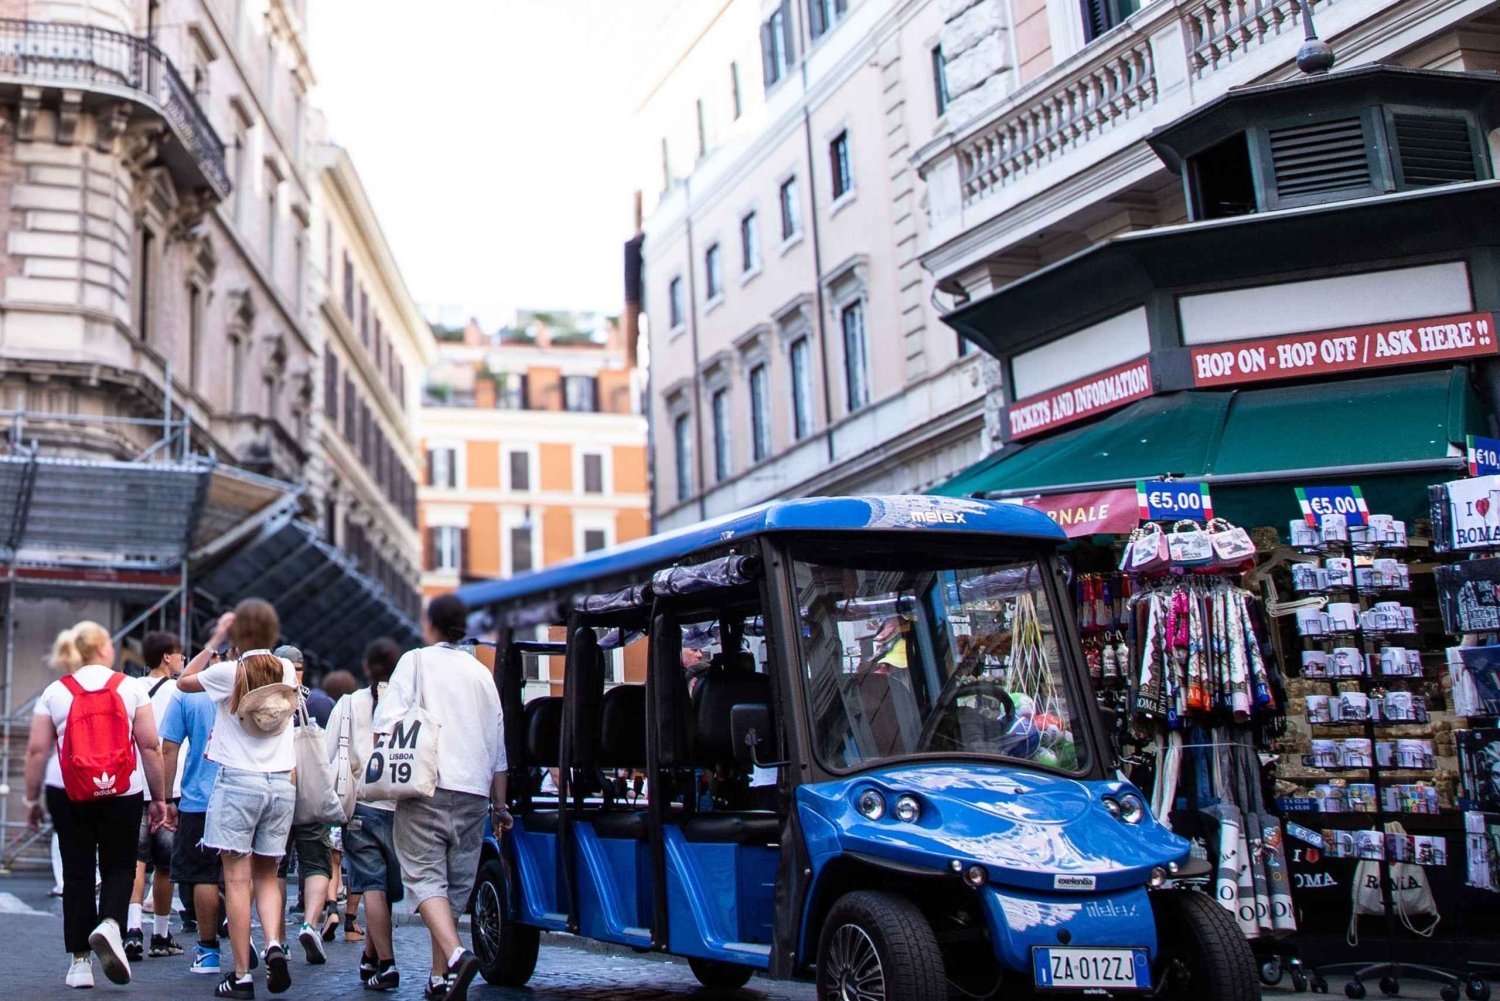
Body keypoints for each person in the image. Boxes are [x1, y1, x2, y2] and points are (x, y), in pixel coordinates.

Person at [373, 595, 508, 1001]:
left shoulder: (415, 662)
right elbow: (497, 746)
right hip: (474, 792)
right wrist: (500, 806)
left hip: (426, 784)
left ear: (430, 625)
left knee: (423, 876)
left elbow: (385, 723)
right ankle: (440, 978)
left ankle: (455, 954)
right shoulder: (482, 674)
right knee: (450, 887)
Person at [23, 621, 170, 989]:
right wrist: (159, 799)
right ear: (106, 650)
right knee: (120, 864)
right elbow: (151, 747)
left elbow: (38, 750)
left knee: (77, 872)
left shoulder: (55, 691)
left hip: (69, 791)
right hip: (123, 789)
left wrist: (30, 798)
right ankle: (110, 923)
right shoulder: (131, 688)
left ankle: (79, 964)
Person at [177, 601, 300, 1000]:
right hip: (280, 784)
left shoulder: (228, 672)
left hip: (238, 783)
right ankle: (274, 946)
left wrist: (215, 639)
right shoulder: (285, 671)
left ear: (238, 633)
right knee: (268, 875)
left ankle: (242, 975)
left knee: (236, 880)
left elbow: (183, 680)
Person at [326, 641, 403, 989]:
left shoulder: (348, 704)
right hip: (401, 806)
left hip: (361, 805)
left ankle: (384, 962)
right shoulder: (408, 703)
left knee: (372, 884)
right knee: (385, 889)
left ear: (366, 667)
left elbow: (329, 753)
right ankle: (370, 957)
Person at [272, 645, 336, 966]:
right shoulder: (320, 704)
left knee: (276, 867)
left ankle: (278, 937)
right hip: (311, 794)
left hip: (277, 792)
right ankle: (311, 922)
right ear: (302, 668)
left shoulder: (265, 701)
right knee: (317, 864)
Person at [161, 663, 227, 976]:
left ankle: (208, 950)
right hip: (249, 792)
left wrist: (166, 799)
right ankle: (257, 941)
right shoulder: (263, 679)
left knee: (203, 875)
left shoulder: (188, 692)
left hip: (200, 797)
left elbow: (169, 748)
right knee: (250, 874)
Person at [127, 631, 186, 961]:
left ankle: (133, 928)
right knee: (165, 865)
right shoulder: (179, 690)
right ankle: (161, 935)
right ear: (166, 656)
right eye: (179, 654)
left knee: (135, 859)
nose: (182, 660)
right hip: (167, 788)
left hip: (135, 785)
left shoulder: (132, 688)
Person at [319, 669, 363, 944]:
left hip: (340, 794)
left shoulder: (343, 708)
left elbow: (327, 752)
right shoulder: (378, 704)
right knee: (359, 863)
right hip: (368, 797)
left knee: (333, 859)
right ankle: (351, 921)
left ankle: (331, 907)